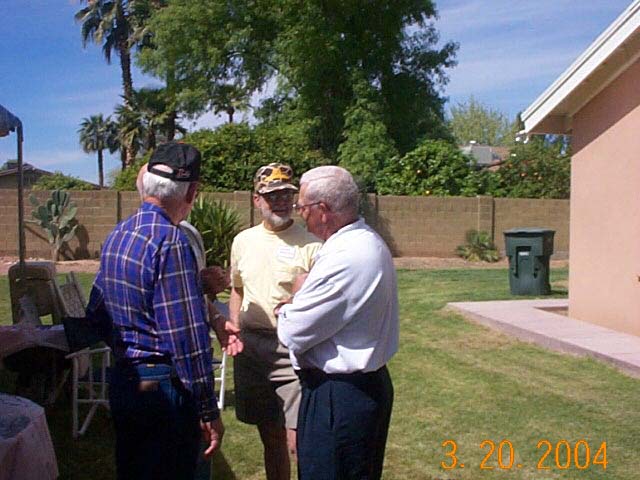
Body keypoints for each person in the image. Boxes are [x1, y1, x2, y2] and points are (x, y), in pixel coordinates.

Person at [86, 142, 224, 480]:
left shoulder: (119, 233)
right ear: (191, 192)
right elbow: (186, 339)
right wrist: (207, 408)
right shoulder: (171, 240)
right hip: (162, 388)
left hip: (125, 379)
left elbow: (98, 310)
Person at [276, 166, 399, 480]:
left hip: (339, 397)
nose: (300, 214)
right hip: (355, 391)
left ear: (322, 210)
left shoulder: (347, 256)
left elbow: (293, 332)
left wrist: (294, 299)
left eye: (302, 207)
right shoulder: (363, 242)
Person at [228, 163, 322, 480]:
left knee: (299, 439)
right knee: (270, 436)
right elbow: (237, 290)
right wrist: (234, 329)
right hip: (251, 349)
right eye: (272, 196)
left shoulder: (312, 244)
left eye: (286, 194)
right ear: (257, 200)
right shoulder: (243, 241)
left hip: (291, 350)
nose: (280, 201)